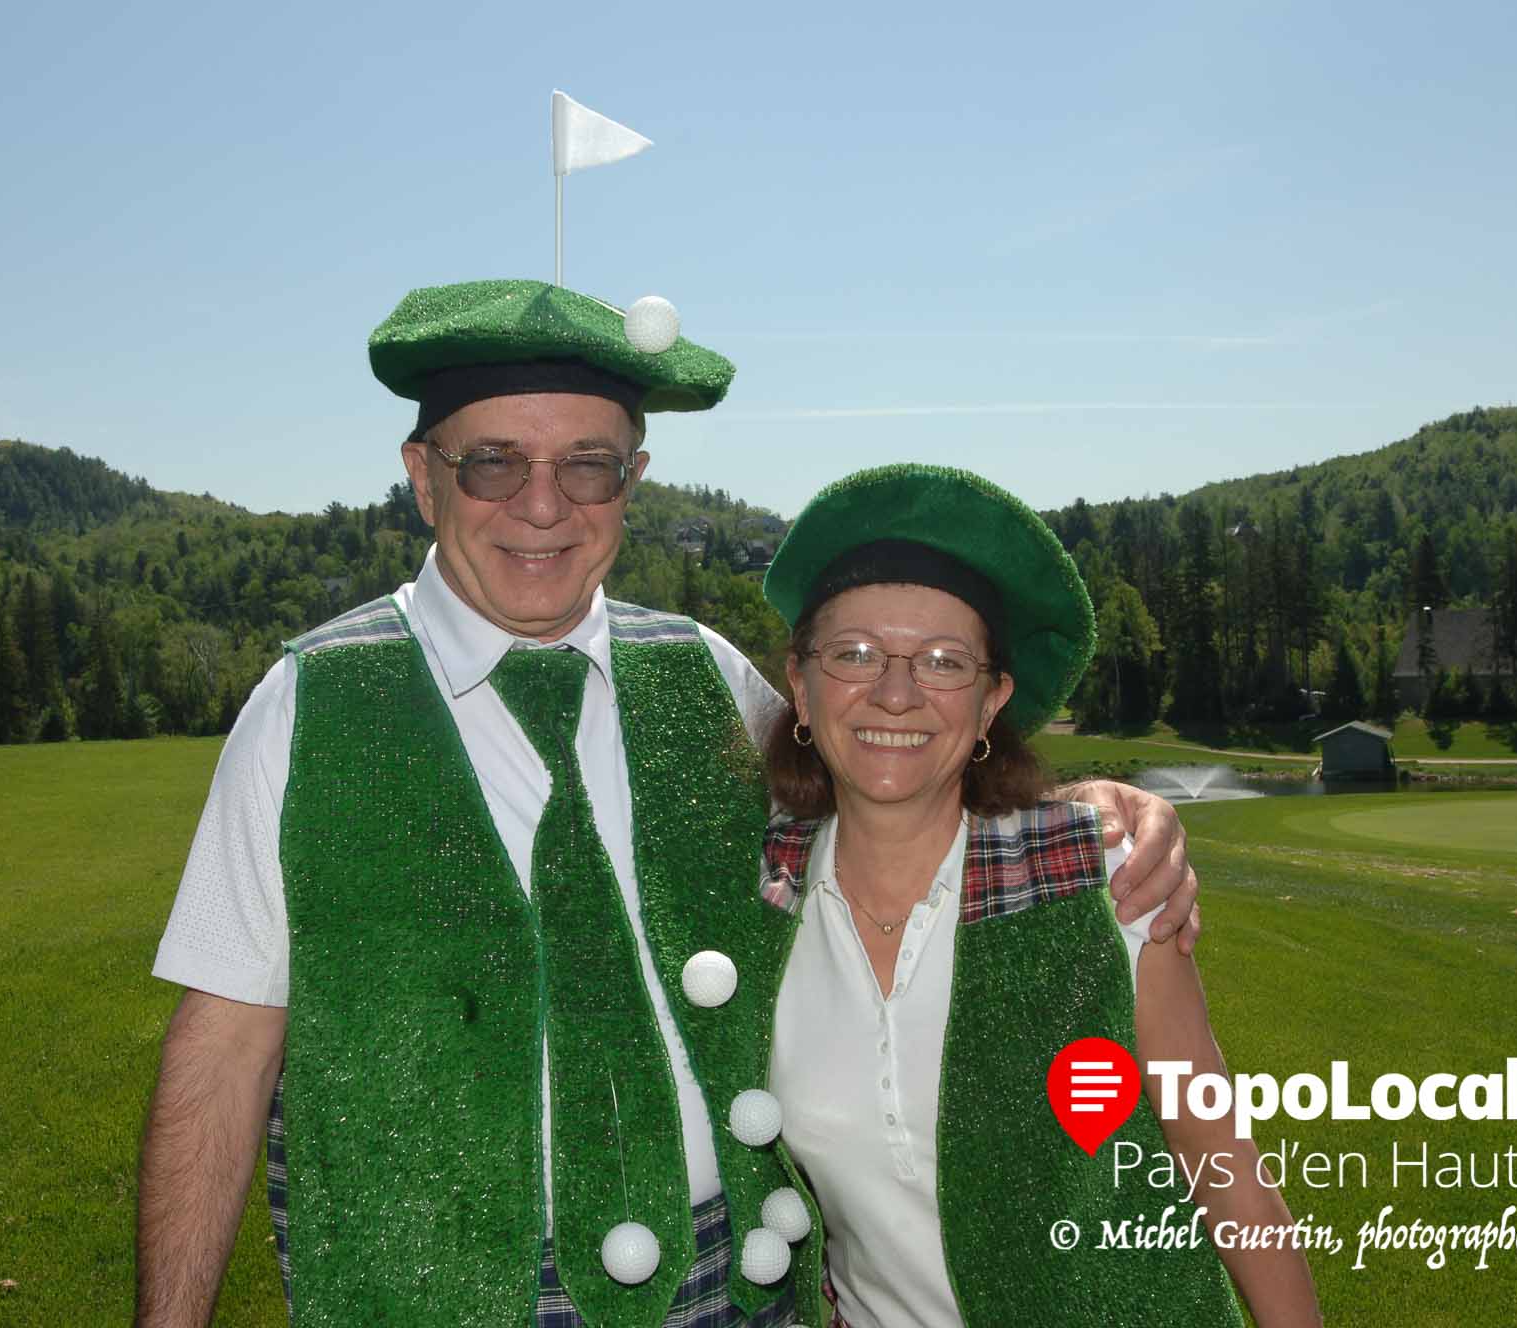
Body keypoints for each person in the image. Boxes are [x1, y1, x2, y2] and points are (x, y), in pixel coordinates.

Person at [134, 281, 1203, 1328]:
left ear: (631, 481)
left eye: (586, 465)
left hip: (739, 1283)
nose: (541, 505)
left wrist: (1088, 810)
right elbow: (223, 1048)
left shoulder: (706, 677)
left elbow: (890, 753)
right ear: (423, 478)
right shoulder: (310, 706)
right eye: (492, 461)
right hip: (436, 1297)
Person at [756, 464, 1321, 1327]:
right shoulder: (758, 905)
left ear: (992, 704)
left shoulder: (1101, 888)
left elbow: (1223, 1162)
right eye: (856, 653)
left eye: (945, 662)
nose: (897, 693)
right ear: (801, 683)